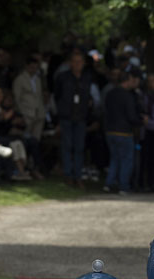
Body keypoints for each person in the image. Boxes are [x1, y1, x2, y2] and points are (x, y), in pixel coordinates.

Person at [54, 50, 92, 188]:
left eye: (80, 62)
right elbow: (57, 95)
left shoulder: (86, 78)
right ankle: (68, 175)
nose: (77, 64)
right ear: (70, 63)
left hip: (80, 117)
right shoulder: (63, 77)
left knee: (79, 148)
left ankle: (78, 175)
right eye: (75, 62)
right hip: (67, 117)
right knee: (67, 146)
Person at [103, 69, 144, 194]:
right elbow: (131, 116)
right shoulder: (128, 96)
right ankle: (123, 186)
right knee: (126, 159)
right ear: (127, 81)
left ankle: (109, 184)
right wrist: (141, 121)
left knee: (115, 159)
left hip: (110, 131)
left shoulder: (110, 94)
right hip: (124, 132)